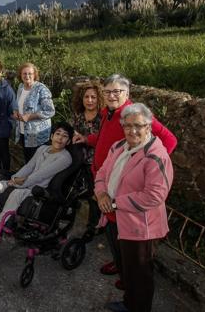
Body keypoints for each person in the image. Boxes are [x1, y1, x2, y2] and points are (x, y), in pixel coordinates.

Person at [73, 74, 177, 287]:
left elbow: (169, 140)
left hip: (124, 191)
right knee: (114, 232)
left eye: (117, 91)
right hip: (105, 182)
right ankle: (122, 266)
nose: (111, 96)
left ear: (127, 94)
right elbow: (104, 139)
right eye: (108, 91)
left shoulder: (133, 115)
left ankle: (129, 277)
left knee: (126, 234)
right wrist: (88, 139)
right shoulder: (108, 113)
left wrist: (145, 164)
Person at [95, 104, 174, 312]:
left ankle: (138, 307)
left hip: (140, 227)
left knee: (140, 274)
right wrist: (101, 193)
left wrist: (114, 203)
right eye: (127, 126)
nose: (133, 131)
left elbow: (155, 195)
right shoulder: (118, 147)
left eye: (138, 125)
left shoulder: (156, 156)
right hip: (114, 220)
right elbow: (102, 173)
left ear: (149, 127)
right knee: (125, 267)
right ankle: (129, 302)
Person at [0, 122, 74, 240]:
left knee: (16, 193)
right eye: (58, 134)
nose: (60, 138)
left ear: (68, 142)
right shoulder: (43, 149)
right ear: (51, 136)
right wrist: (13, 179)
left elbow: (41, 175)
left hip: (37, 189)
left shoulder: (65, 158)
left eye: (65, 136)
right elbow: (29, 167)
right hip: (23, 181)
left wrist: (20, 182)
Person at [70, 80, 105, 239]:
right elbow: (73, 133)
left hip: (96, 163)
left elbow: (104, 139)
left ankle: (94, 226)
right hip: (78, 159)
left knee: (94, 194)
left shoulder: (103, 117)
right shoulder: (78, 115)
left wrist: (85, 138)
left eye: (93, 97)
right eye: (86, 97)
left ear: (99, 99)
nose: (90, 100)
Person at [13, 62, 55, 163]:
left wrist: (31, 116)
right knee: (28, 159)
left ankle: (33, 178)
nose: (27, 76)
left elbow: (50, 111)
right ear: (20, 75)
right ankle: (27, 178)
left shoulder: (41, 89)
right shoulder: (20, 87)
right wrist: (16, 112)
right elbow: (19, 104)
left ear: (35, 75)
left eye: (30, 74)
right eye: (24, 73)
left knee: (35, 161)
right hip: (23, 131)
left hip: (35, 133)